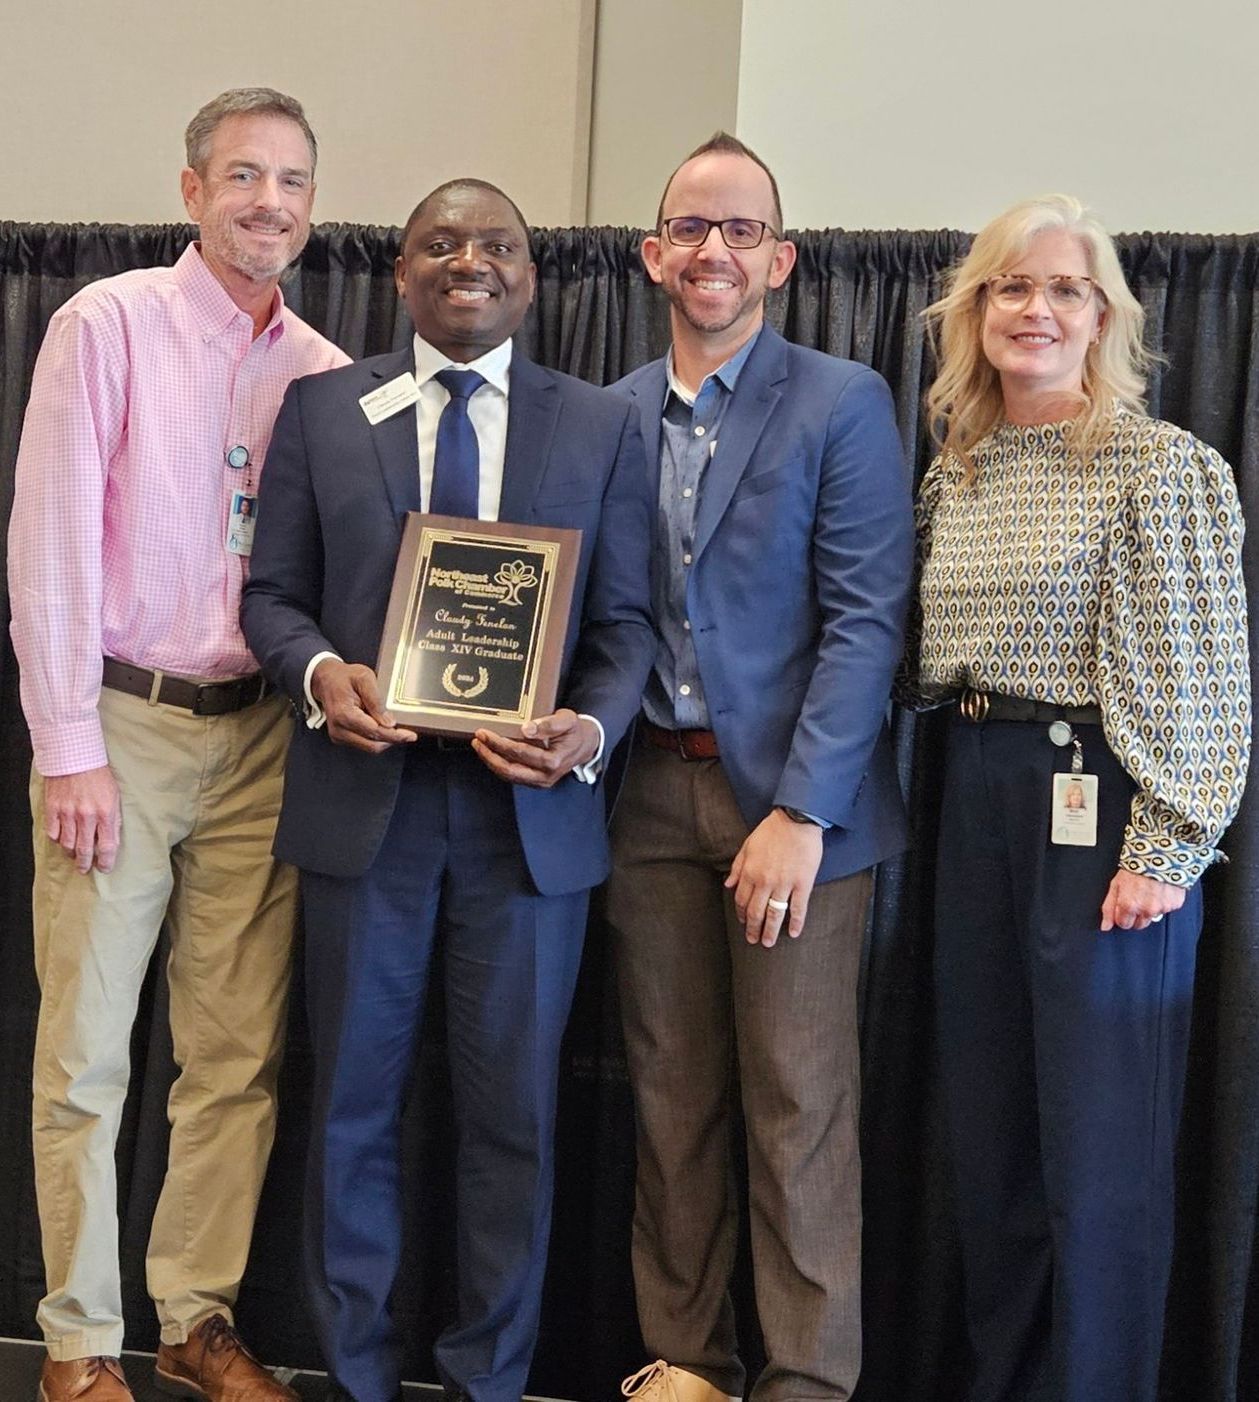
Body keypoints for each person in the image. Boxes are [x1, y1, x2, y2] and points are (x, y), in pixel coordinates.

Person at [240, 178, 654, 1402]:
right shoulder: (320, 409)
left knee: (512, 1125)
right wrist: (321, 677)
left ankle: (487, 1380)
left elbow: (624, 627)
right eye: (439, 243)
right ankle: (357, 1377)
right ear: (400, 275)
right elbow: (271, 597)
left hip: (525, 826)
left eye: (497, 246)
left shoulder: (597, 425)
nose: (467, 260)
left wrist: (586, 729)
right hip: (364, 811)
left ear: (531, 279)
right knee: (352, 1115)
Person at [7, 88, 349, 1402]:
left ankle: (195, 1320)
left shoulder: (321, 372)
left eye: (294, 181)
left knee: (233, 1058)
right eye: (245, 175)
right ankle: (81, 1342)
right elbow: (46, 546)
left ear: (312, 207)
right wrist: (66, 743)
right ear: (193, 188)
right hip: (124, 728)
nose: (271, 200)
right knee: (86, 1055)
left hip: (267, 737)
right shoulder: (107, 327)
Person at [904, 193, 1250, 1402]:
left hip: (1104, 816)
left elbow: (1206, 683)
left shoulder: (1162, 469)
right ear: (973, 313)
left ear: (1104, 317)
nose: (1033, 308)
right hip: (975, 806)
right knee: (993, 1146)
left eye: (1062, 289)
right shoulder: (960, 472)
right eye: (1008, 286)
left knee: (1098, 1160)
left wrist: (1164, 844)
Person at [605, 133, 913, 1402]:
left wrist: (797, 812)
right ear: (651, 252)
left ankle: (806, 1382)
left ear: (779, 258)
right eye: (690, 226)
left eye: (739, 230)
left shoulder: (840, 400)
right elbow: (599, 619)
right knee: (670, 1103)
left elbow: (864, 621)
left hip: (795, 809)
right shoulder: (608, 413)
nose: (712, 250)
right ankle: (686, 1361)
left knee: (796, 1108)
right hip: (642, 800)